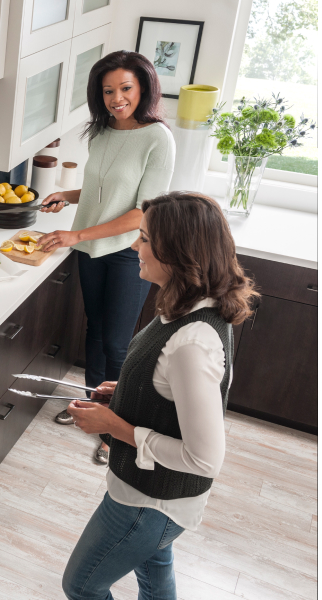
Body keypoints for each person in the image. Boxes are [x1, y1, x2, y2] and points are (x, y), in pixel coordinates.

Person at [59, 191, 258, 600]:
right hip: (153, 499)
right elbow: (172, 387)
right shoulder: (189, 306)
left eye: (145, 238)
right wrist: (129, 389)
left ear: (179, 253)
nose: (135, 246)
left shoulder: (192, 343)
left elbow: (205, 460)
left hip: (150, 503)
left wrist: (114, 426)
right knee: (155, 567)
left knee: (81, 585)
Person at [38, 51, 175, 464]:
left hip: (128, 254)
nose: (117, 98)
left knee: (117, 344)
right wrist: (67, 195)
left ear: (143, 88)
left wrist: (76, 234)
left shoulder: (158, 138)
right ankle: (91, 406)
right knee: (94, 333)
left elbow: (142, 210)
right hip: (91, 250)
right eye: (108, 91)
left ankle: (116, 428)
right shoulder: (100, 132)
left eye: (126, 88)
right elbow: (105, 188)